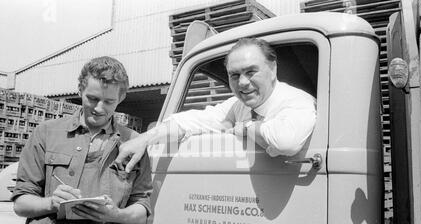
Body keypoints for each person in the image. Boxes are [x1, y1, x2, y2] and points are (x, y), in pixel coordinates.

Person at [12, 56, 153, 224]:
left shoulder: (133, 144)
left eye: (109, 102)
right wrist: (52, 203)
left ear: (122, 97)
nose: (99, 109)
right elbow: (21, 203)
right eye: (92, 98)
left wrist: (116, 214)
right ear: (80, 89)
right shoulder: (46, 133)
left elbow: (142, 206)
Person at [115, 38, 316, 172]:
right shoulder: (237, 106)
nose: (243, 83)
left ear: (272, 70)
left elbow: (285, 142)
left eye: (251, 72)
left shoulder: (296, 100)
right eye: (234, 75)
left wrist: (245, 128)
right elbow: (188, 121)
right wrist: (145, 139)